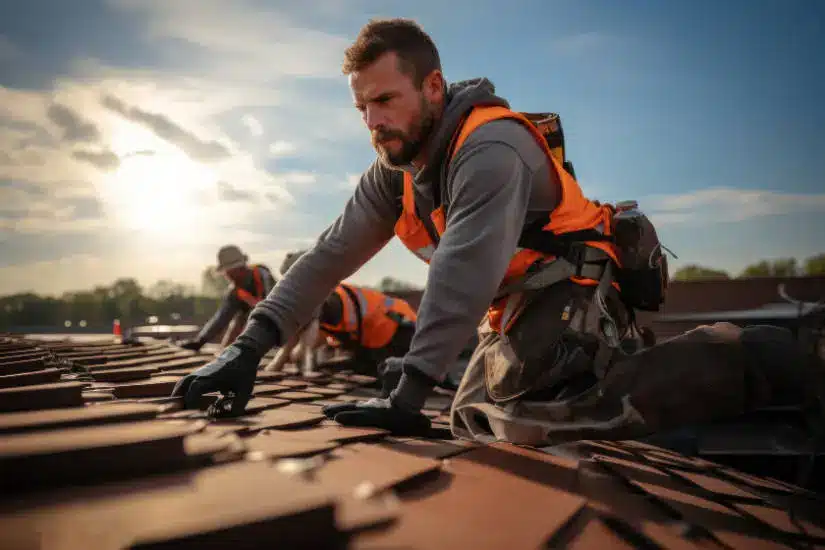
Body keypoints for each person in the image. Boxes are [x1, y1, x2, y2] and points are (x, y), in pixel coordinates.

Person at [171, 19, 823, 444]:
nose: (372, 120)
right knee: (466, 418)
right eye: (361, 106)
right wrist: (245, 351)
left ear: (431, 86)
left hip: (573, 289)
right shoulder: (391, 170)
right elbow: (325, 258)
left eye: (385, 99)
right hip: (515, 307)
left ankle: (747, 355)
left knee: (514, 428)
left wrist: (409, 391)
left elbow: (463, 267)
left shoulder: (491, 146)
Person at [264, 250, 418, 380]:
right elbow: (307, 333)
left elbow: (309, 323)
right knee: (338, 367)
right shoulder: (324, 302)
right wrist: (287, 354)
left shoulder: (330, 301)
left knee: (401, 373)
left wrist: (285, 355)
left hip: (402, 332)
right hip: (376, 341)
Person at [178, 245, 276, 353]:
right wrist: (200, 341)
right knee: (237, 321)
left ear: (240, 268)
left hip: (277, 321)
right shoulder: (235, 291)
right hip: (252, 322)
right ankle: (225, 353)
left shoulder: (262, 275)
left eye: (229, 272)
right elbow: (221, 318)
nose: (226, 275)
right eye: (226, 272)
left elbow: (271, 307)